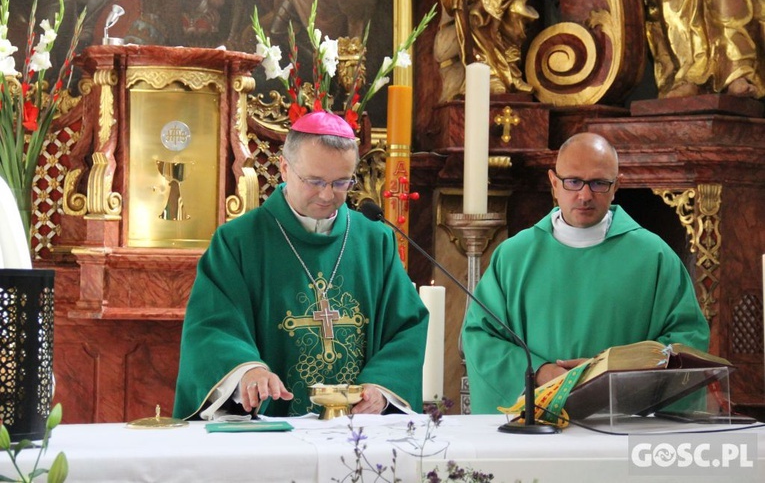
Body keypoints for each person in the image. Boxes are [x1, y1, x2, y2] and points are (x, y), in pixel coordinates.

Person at [174, 110, 429, 419]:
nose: (326, 195)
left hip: (358, 432)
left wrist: (382, 386)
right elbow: (211, 327)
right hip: (270, 434)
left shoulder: (375, 240)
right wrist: (246, 371)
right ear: (284, 168)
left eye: (341, 182)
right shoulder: (239, 241)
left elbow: (406, 326)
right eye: (315, 181)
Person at [461, 132, 710, 414]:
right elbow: (481, 336)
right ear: (554, 183)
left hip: (622, 421)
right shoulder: (514, 256)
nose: (585, 195)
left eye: (599, 183)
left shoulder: (653, 256)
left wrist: (611, 372)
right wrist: (539, 372)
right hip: (537, 420)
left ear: (617, 186)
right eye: (573, 182)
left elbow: (688, 339)